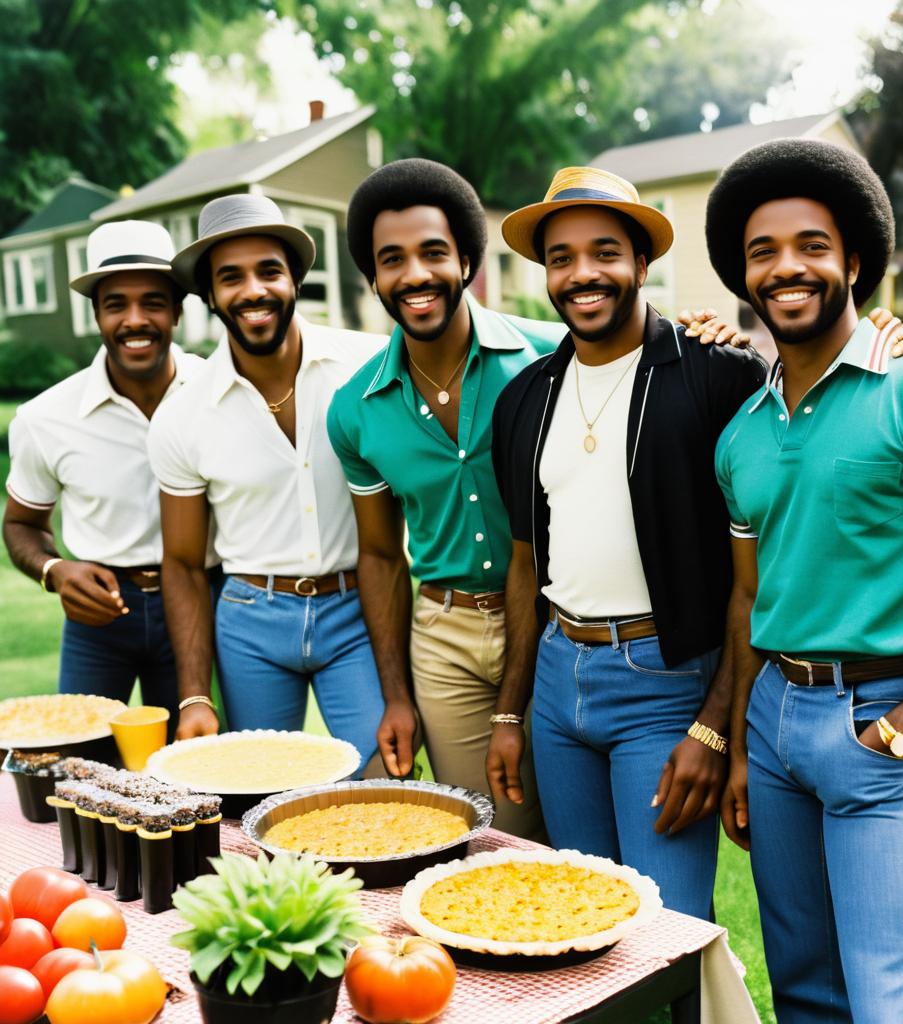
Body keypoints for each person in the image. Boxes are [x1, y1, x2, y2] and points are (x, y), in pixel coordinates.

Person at [708, 139, 903, 1023]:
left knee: (900, 1006)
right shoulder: (743, 431)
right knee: (806, 993)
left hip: (885, 720)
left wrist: (902, 732)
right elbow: (747, 596)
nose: (786, 267)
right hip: (772, 726)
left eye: (811, 244)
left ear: (854, 260)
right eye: (762, 252)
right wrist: (739, 744)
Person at [487, 166, 766, 916]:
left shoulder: (718, 375)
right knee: (584, 915)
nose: (584, 274)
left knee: (668, 926)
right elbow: (524, 565)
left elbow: (759, 571)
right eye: (561, 258)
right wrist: (511, 712)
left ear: (642, 264)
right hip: (557, 681)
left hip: (665, 683)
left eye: (605, 252)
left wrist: (713, 727)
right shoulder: (523, 399)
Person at [327, 160, 561, 838]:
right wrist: (396, 696)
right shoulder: (356, 410)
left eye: (433, 253)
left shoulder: (550, 359)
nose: (415, 276)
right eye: (390, 260)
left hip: (555, 629)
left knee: (582, 839)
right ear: (373, 279)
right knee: (493, 839)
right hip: (446, 642)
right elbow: (378, 556)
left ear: (466, 259)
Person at [147, 194, 386, 769]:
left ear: (295, 279)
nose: (253, 290)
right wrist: (195, 694)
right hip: (250, 619)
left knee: (381, 778)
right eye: (231, 277)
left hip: (358, 608)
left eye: (269, 271)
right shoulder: (183, 416)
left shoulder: (369, 366)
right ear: (209, 296)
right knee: (261, 791)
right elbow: (181, 564)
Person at [3, 221, 204, 725]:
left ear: (177, 310)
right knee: (80, 766)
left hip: (202, 604)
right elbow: (21, 524)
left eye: (153, 302)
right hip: (99, 620)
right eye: (116, 304)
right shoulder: (45, 417)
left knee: (198, 771)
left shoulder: (219, 394)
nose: (135, 320)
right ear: (96, 314)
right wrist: (54, 571)